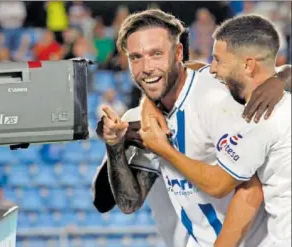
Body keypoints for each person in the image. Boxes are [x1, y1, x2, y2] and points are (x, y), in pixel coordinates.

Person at [91, 9, 291, 247]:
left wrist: (282, 77)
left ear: (178, 53)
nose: (146, 67)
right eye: (136, 57)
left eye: (156, 54)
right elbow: (129, 203)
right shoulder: (146, 119)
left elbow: (250, 189)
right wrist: (114, 145)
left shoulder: (215, 98)